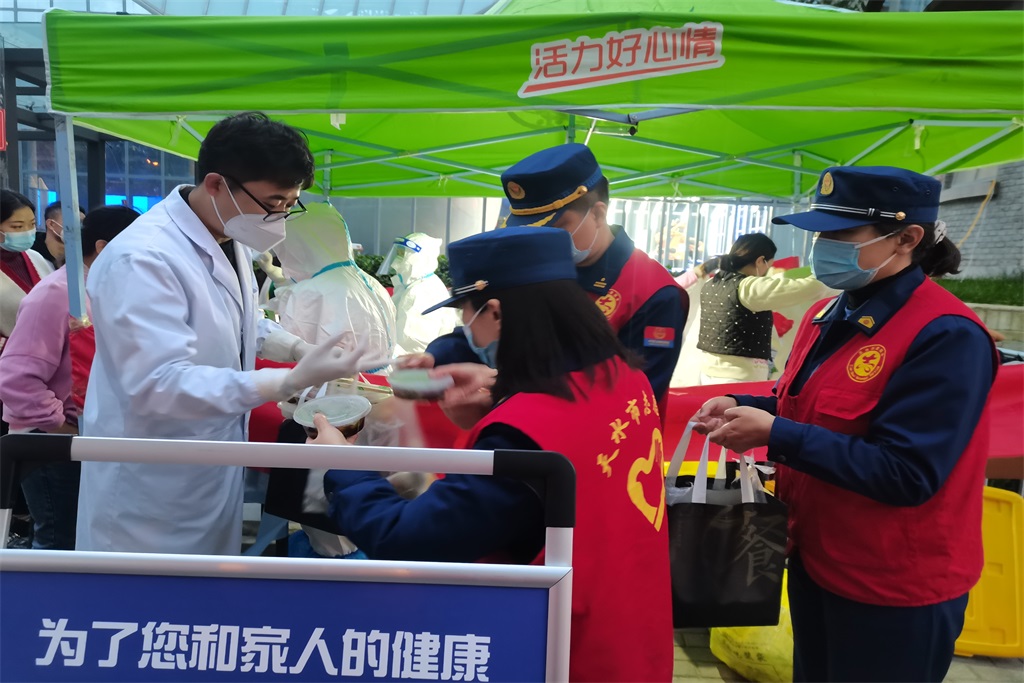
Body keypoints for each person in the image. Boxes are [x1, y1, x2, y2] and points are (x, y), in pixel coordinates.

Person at [315, 227, 673, 682]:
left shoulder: (523, 435)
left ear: (497, 312)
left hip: (561, 651)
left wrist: (346, 465)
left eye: (466, 311)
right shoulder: (623, 377)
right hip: (632, 624)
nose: (465, 327)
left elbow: (410, 538)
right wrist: (501, 393)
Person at [695, 166, 998, 682]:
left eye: (842, 234)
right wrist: (738, 402)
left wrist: (776, 435)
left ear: (907, 238)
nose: (823, 247)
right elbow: (802, 402)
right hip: (817, 560)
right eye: (820, 233)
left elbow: (908, 472)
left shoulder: (945, 335)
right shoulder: (827, 314)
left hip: (893, 586)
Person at [77, 112, 378, 555]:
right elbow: (156, 384)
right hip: (150, 481)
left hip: (209, 460)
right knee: (147, 594)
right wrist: (285, 381)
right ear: (216, 184)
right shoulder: (142, 258)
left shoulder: (227, 234)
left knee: (208, 588)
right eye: (273, 202)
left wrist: (298, 347)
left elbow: (239, 321)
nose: (280, 217)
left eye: (291, 203)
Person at [428, 144, 688, 409]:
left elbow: (636, 396)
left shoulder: (652, 292)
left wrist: (506, 394)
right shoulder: (531, 266)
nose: (540, 240)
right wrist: (436, 358)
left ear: (598, 214)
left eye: (555, 228)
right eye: (529, 230)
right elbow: (486, 329)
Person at [0, 206, 139, 550]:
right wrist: (63, 427)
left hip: (90, 434)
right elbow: (17, 379)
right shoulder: (57, 293)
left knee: (86, 540)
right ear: (103, 248)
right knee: (60, 540)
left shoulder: (106, 288)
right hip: (53, 439)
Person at [697, 233, 831, 384]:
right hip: (738, 377)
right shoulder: (749, 287)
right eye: (769, 266)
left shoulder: (711, 283)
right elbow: (810, 288)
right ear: (760, 261)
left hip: (707, 373)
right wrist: (830, 270)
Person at [1, 190, 54, 439]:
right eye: (17, 226)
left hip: (44, 372)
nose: (26, 232)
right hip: (8, 373)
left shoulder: (35, 258)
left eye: (31, 224)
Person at [378, 232, 459, 356]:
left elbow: (411, 346)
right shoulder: (415, 285)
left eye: (403, 254)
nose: (396, 261)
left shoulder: (420, 292)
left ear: (419, 258)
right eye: (398, 254)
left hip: (414, 361)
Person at [33, 201, 85, 268]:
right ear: (51, 224)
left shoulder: (84, 255)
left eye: (81, 223)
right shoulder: (31, 254)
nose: (78, 227)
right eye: (72, 222)